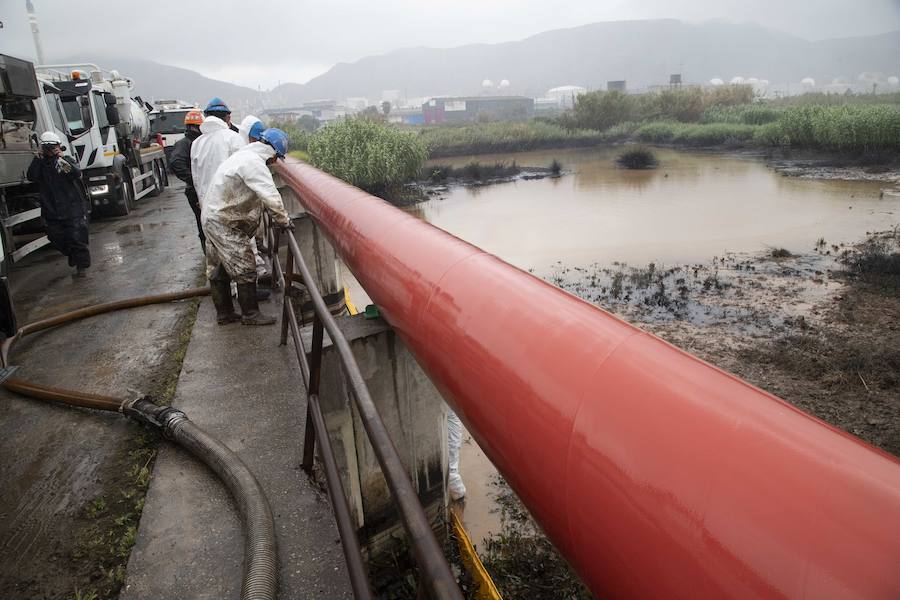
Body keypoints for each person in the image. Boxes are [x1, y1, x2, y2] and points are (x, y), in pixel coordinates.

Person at [201, 128, 292, 326]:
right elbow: (270, 195)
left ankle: (225, 313)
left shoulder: (244, 155)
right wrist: (283, 220)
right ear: (274, 153)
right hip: (225, 223)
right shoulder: (254, 163)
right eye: (276, 159)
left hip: (214, 217)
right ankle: (250, 314)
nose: (274, 163)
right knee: (245, 266)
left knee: (219, 269)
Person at [27, 132, 91, 277]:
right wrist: (37, 158)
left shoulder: (65, 160)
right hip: (52, 209)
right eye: (48, 147)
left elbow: (75, 173)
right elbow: (32, 176)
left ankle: (81, 267)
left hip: (72, 207)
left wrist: (61, 158)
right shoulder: (40, 164)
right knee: (55, 237)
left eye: (54, 146)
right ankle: (73, 255)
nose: (51, 149)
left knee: (76, 238)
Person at [190, 97, 243, 205]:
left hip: (207, 205)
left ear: (206, 117)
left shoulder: (196, 143)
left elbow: (196, 178)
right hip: (231, 205)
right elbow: (244, 172)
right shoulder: (234, 138)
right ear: (228, 118)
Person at [169, 109, 206, 253]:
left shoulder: (197, 142)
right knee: (204, 223)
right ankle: (209, 254)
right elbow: (176, 163)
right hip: (195, 191)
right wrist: (194, 180)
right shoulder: (185, 144)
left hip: (200, 188)